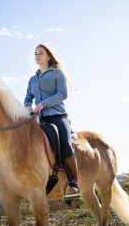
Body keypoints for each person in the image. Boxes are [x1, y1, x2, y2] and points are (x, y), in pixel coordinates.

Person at [24, 43, 80, 197]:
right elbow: (28, 98)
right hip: (40, 120)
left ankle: (74, 184)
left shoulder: (57, 74)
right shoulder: (32, 80)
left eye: (40, 53)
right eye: (35, 54)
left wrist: (43, 104)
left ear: (48, 56)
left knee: (66, 146)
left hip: (58, 116)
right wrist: (28, 106)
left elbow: (63, 94)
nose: (37, 56)